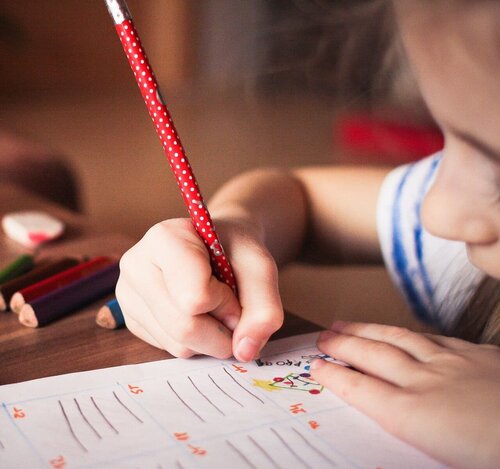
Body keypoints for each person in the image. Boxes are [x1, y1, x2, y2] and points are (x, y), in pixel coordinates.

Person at [116, 0, 500, 466]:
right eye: (446, 141)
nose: (435, 213)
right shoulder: (461, 225)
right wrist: (237, 228)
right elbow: (300, 197)